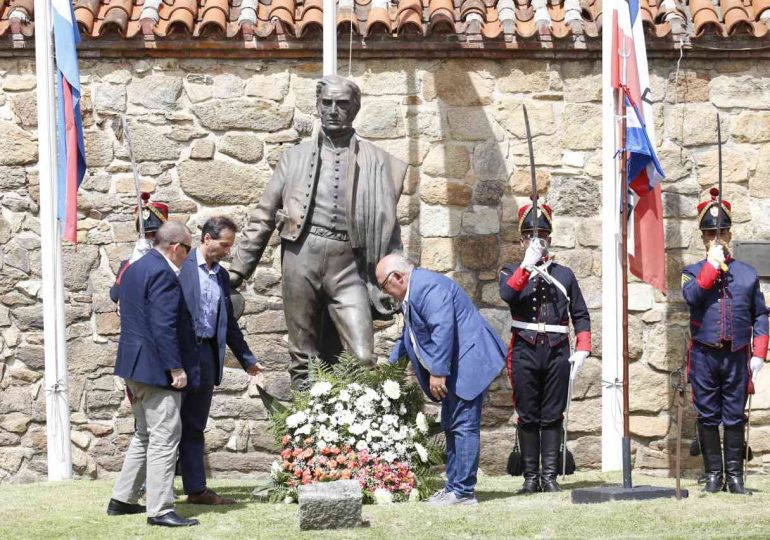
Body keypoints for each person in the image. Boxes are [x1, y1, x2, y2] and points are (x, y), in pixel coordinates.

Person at [229, 74, 407, 389]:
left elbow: (391, 231)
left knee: (363, 359)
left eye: (342, 104)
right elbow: (264, 215)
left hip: (349, 265)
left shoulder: (379, 163)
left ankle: (356, 433)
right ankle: (304, 435)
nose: (333, 110)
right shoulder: (294, 157)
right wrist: (237, 271)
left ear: (355, 108)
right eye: (327, 103)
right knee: (303, 358)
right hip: (301, 258)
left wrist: (401, 284)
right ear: (317, 105)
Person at [377, 254, 506, 506]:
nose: (386, 293)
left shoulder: (427, 287)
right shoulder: (415, 291)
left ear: (398, 277)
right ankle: (453, 488)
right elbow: (409, 336)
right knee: (450, 424)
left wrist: (437, 372)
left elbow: (442, 328)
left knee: (464, 426)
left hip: (467, 363)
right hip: (455, 367)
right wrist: (389, 371)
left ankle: (463, 492)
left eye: (384, 286)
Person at [107, 222, 198, 527]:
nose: (188, 255)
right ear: (176, 248)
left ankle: (122, 499)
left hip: (133, 366)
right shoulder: (163, 273)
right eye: (188, 249)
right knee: (164, 438)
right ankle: (159, 509)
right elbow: (163, 326)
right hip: (157, 369)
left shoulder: (134, 268)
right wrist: (175, 367)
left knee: (144, 436)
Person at [498, 203, 591, 493]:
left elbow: (580, 314)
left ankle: (549, 476)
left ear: (549, 238)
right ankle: (530, 478)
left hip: (556, 350)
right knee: (527, 413)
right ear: (522, 239)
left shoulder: (564, 274)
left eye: (541, 235)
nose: (535, 240)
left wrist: (583, 347)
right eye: (529, 235)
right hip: (525, 350)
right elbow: (508, 293)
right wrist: (527, 264)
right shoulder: (511, 270)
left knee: (552, 413)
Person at [682, 187, 768, 495]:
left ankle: (735, 477)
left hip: (736, 356)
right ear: (702, 237)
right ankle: (713, 475)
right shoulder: (691, 272)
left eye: (720, 232)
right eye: (709, 233)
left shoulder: (746, 274)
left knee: (733, 415)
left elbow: (760, 314)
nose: (715, 237)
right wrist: (710, 266)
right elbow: (691, 298)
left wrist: (759, 353)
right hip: (705, 356)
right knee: (707, 415)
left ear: (729, 234)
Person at [178, 216, 265, 505]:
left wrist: (248, 360)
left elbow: (228, 325)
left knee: (194, 425)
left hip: (205, 357)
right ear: (206, 239)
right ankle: (152, 488)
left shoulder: (221, 276)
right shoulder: (180, 268)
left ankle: (196, 490)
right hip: (177, 357)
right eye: (224, 245)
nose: (228, 251)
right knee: (164, 426)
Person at [110, 192, 169, 303]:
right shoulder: (128, 264)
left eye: (154, 234)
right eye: (145, 235)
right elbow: (115, 295)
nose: (149, 239)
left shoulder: (172, 262)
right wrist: (131, 263)